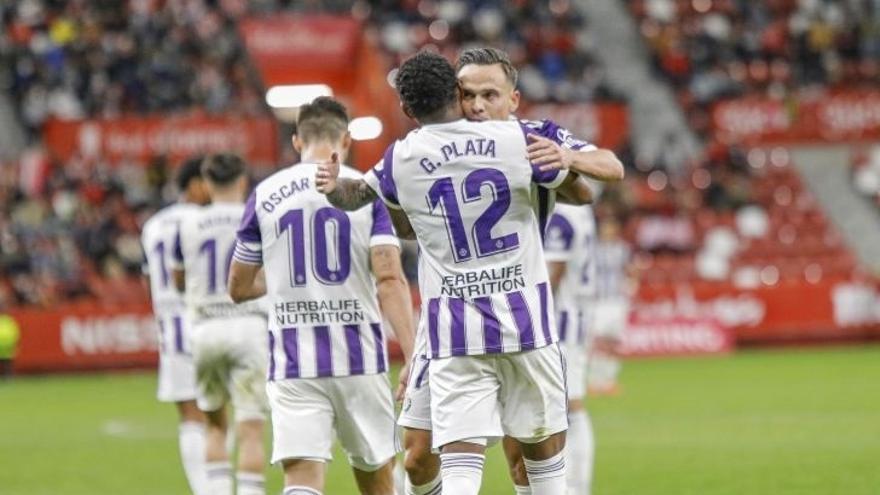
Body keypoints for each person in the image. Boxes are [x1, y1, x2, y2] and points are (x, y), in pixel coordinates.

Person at [318, 50, 573, 495]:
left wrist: (331, 185)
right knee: (437, 457)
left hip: (485, 325)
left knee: (486, 461)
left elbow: (354, 197)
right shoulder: (517, 139)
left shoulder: (407, 157)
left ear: (406, 108)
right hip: (484, 327)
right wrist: (574, 160)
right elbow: (585, 186)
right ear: (457, 92)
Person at [397, 47, 624, 495]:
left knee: (524, 458)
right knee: (418, 456)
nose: (477, 106)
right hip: (446, 323)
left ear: (513, 100)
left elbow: (609, 167)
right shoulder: (427, 147)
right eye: (467, 94)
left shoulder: (532, 139)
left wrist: (567, 157)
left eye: (490, 94)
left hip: (517, 317)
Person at [227, 97, 415, 495]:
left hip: (295, 361)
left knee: (301, 480)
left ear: (297, 141)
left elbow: (238, 287)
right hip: (360, 358)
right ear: (345, 139)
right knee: (379, 479)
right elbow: (390, 278)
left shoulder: (264, 195)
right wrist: (414, 355)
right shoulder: (366, 191)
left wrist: (277, 277)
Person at [172, 154, 269, 495]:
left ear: (207, 183)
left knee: (214, 427)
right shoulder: (258, 214)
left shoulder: (187, 224)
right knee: (250, 429)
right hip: (250, 326)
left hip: (206, 329)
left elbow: (178, 279)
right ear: (242, 181)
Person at [140, 157, 210, 495]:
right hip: (211, 322)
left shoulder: (152, 225)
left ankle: (204, 489)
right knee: (220, 415)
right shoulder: (208, 219)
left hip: (173, 330)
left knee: (190, 417)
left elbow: (147, 280)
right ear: (195, 184)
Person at [542, 203, 599, 494]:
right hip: (575, 314)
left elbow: (556, 269)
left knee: (569, 406)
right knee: (564, 406)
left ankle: (575, 486)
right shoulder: (582, 210)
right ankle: (571, 484)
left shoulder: (561, 215)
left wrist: (532, 311)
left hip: (559, 320)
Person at [589, 218, 635, 396]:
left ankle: (609, 380)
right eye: (606, 227)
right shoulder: (592, 250)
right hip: (598, 301)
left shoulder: (623, 249)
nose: (608, 231)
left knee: (613, 342)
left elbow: (630, 271)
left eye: (611, 227)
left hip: (617, 301)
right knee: (598, 342)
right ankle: (595, 380)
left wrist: (630, 287)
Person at [0, 313, 20, 379]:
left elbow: (15, 332)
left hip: (6, 345)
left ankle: (8, 375)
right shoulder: (9, 321)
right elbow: (15, 332)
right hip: (8, 345)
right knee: (7, 362)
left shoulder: (8, 321)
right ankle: (8, 376)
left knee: (7, 362)